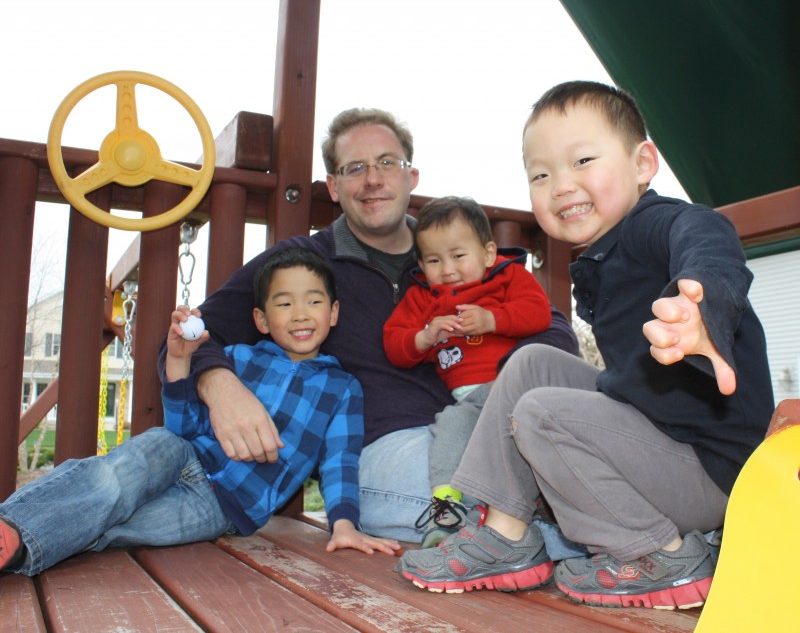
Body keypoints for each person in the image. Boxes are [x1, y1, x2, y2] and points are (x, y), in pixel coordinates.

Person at [396, 81, 775, 609]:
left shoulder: (653, 225)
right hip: (659, 442)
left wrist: (702, 305)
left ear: (643, 164)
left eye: (582, 161)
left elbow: (705, 232)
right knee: (530, 364)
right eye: (541, 174)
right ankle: (507, 536)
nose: (560, 185)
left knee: (543, 413)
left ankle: (661, 555)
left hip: (710, 472)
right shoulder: (601, 255)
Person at [167, 108, 580, 545]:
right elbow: (197, 331)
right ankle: (558, 540)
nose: (373, 180)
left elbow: (554, 334)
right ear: (334, 186)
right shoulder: (303, 265)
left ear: (411, 176)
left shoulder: (454, 255)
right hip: (385, 448)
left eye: (387, 163)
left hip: (483, 425)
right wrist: (220, 387)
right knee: (502, 514)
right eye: (355, 168)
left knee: (568, 472)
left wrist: (502, 383)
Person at [0, 247, 398, 585]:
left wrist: (343, 524)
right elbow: (184, 426)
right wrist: (179, 362)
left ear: (333, 312)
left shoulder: (341, 389)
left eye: (314, 301)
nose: (301, 313)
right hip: (179, 453)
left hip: (223, 507)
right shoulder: (237, 359)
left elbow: (340, 461)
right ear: (261, 319)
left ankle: (8, 544)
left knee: (119, 526)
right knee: (110, 481)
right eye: (284, 303)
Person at [383, 196, 551, 546]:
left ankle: (544, 505)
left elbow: (538, 313)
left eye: (459, 256)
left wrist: (493, 319)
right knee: (449, 427)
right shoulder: (421, 298)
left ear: (488, 253)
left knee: (526, 439)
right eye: (433, 260)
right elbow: (394, 344)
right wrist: (426, 336)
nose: (447, 269)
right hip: (470, 403)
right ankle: (445, 507)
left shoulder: (507, 278)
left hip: (508, 387)